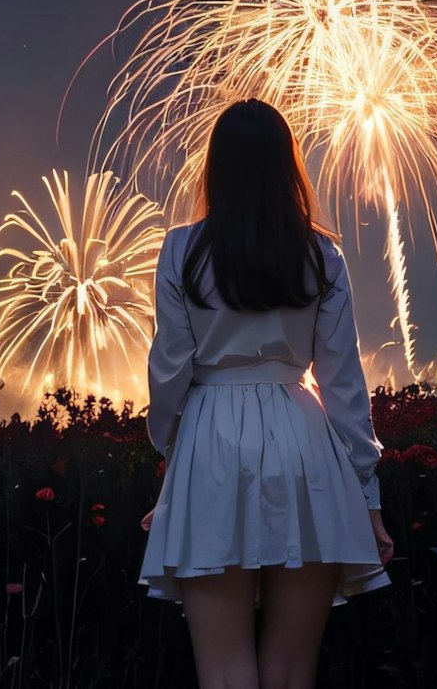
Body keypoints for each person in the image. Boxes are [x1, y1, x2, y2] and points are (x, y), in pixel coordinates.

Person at [138, 99, 393, 689]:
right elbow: (343, 382)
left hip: (210, 438)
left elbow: (170, 370)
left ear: (215, 167)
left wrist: (172, 468)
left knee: (225, 671)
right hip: (305, 443)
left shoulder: (181, 250)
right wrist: (368, 497)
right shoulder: (321, 254)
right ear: (287, 166)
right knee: (290, 672)